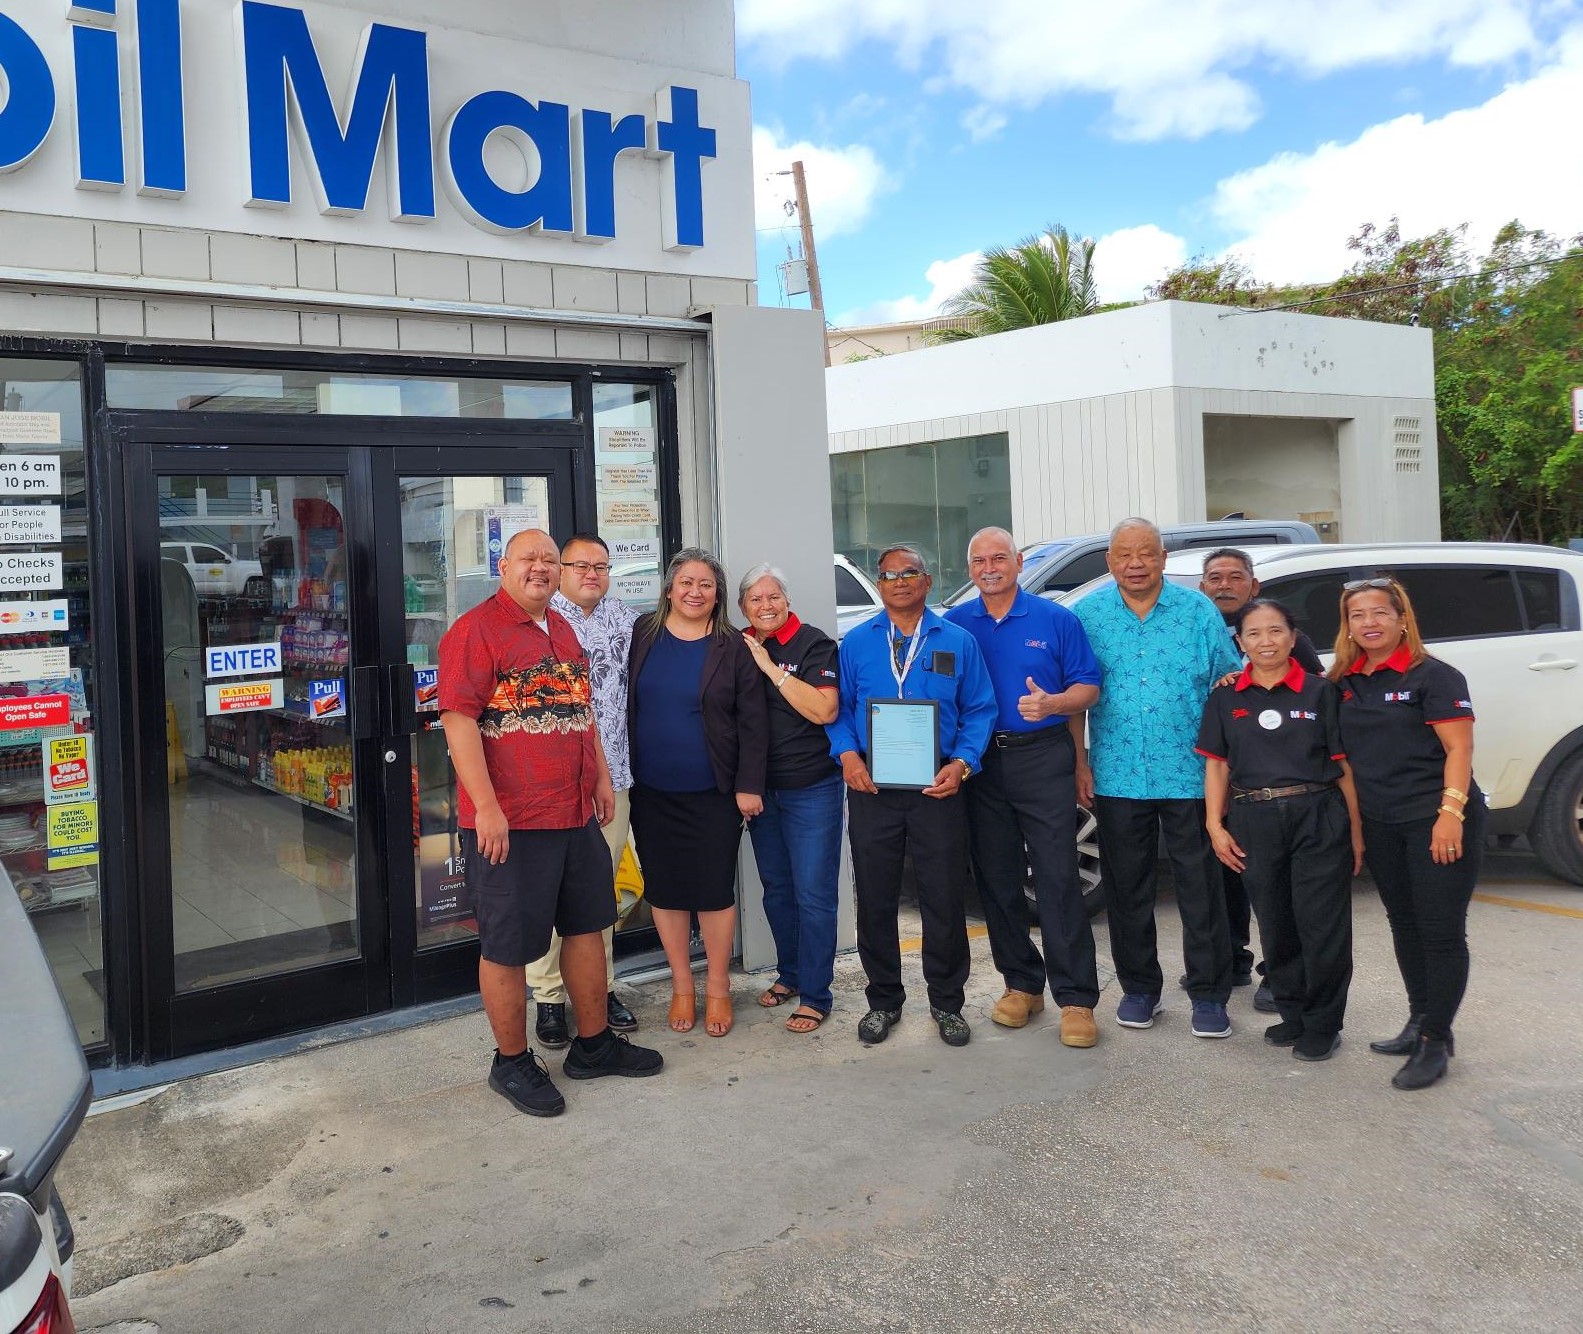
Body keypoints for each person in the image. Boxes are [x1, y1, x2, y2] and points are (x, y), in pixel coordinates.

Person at [438, 528, 662, 1119]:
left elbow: (581, 712)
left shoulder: (562, 629)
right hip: (511, 823)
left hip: (573, 813)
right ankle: (511, 1062)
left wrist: (600, 779)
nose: (538, 568)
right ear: (504, 566)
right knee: (509, 946)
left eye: (547, 559)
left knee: (589, 926)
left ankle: (593, 1046)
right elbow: (458, 722)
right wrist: (487, 808)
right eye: (527, 559)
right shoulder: (475, 631)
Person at [1073, 518, 1242, 1038]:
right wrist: (1079, 763)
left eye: (1146, 553)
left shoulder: (1198, 612)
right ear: (1110, 562)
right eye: (1124, 555)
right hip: (1118, 776)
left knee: (1202, 889)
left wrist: (1231, 764)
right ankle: (1140, 989)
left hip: (1192, 774)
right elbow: (1074, 694)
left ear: (1163, 558)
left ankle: (1209, 994)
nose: (1135, 564)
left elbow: (1229, 684)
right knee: (1128, 890)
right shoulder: (1088, 615)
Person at [829, 544, 996, 1048]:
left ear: (927, 581)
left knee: (942, 897)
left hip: (937, 789)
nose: (899, 581)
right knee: (876, 898)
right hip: (872, 788)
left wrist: (962, 764)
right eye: (888, 575)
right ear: (879, 586)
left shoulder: (958, 641)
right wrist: (848, 756)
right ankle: (883, 1000)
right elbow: (838, 711)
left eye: (909, 573)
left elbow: (981, 710)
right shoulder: (856, 643)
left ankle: (947, 1003)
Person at [944, 527, 1104, 1049]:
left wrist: (1054, 704)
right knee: (997, 878)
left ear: (1017, 562)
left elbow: (1089, 687)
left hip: (1042, 757)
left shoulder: (1056, 619)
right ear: (969, 569)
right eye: (978, 560)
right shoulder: (957, 624)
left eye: (998, 558)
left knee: (1058, 877)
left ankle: (1077, 999)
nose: (989, 567)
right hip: (982, 763)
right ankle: (1021, 984)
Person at [1330, 575, 1482, 1091]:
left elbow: (1459, 750)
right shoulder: (1344, 681)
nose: (1368, 623)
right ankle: (1419, 1020)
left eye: (1379, 613)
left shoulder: (1434, 676)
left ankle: (1436, 1040)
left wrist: (1451, 814)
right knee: (1405, 924)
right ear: (1347, 624)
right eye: (1357, 615)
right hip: (1381, 821)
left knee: (1439, 932)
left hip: (1435, 818)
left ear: (1401, 619)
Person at [1197, 599, 1364, 1062]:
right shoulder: (1226, 697)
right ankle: (1292, 1013)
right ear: (1240, 642)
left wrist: (1355, 832)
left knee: (1322, 924)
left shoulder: (1320, 692)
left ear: (1293, 638)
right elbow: (1217, 767)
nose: (1265, 642)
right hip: (1254, 817)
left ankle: (1324, 1023)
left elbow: (1343, 768)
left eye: (1275, 631)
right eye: (1254, 633)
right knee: (1275, 920)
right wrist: (1215, 824)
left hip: (1317, 813)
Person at [627, 548, 768, 1039]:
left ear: (718, 595)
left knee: (711, 891)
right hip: (651, 789)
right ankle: (682, 986)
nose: (694, 591)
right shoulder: (643, 634)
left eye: (705, 584)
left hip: (713, 791)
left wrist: (749, 784)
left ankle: (719, 988)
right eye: (686, 582)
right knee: (665, 889)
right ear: (669, 589)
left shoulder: (733, 646)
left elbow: (753, 722)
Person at [523, 533, 641, 1050]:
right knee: (549, 892)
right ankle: (549, 996)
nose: (592, 573)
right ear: (560, 569)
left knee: (600, 894)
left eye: (601, 565)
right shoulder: (540, 619)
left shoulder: (628, 622)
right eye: (580, 565)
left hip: (615, 780)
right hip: (556, 783)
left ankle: (601, 988)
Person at [1198, 547, 1324, 1013]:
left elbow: (1311, 708)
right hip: (1217, 775)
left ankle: (1280, 972)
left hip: (1276, 786)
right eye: (1215, 577)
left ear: (1255, 586)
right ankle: (1230, 958)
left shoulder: (1288, 642)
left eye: (1235, 576)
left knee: (1276, 887)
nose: (1224, 584)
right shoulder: (1197, 630)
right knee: (1226, 877)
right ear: (1203, 586)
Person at [738, 565, 844, 1034]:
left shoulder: (813, 644)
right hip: (762, 793)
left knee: (814, 894)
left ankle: (817, 995)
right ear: (743, 607)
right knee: (778, 890)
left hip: (812, 789)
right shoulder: (737, 645)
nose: (766, 605)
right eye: (756, 599)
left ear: (787, 600)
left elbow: (825, 709)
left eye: (773, 596)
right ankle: (792, 975)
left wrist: (768, 668)